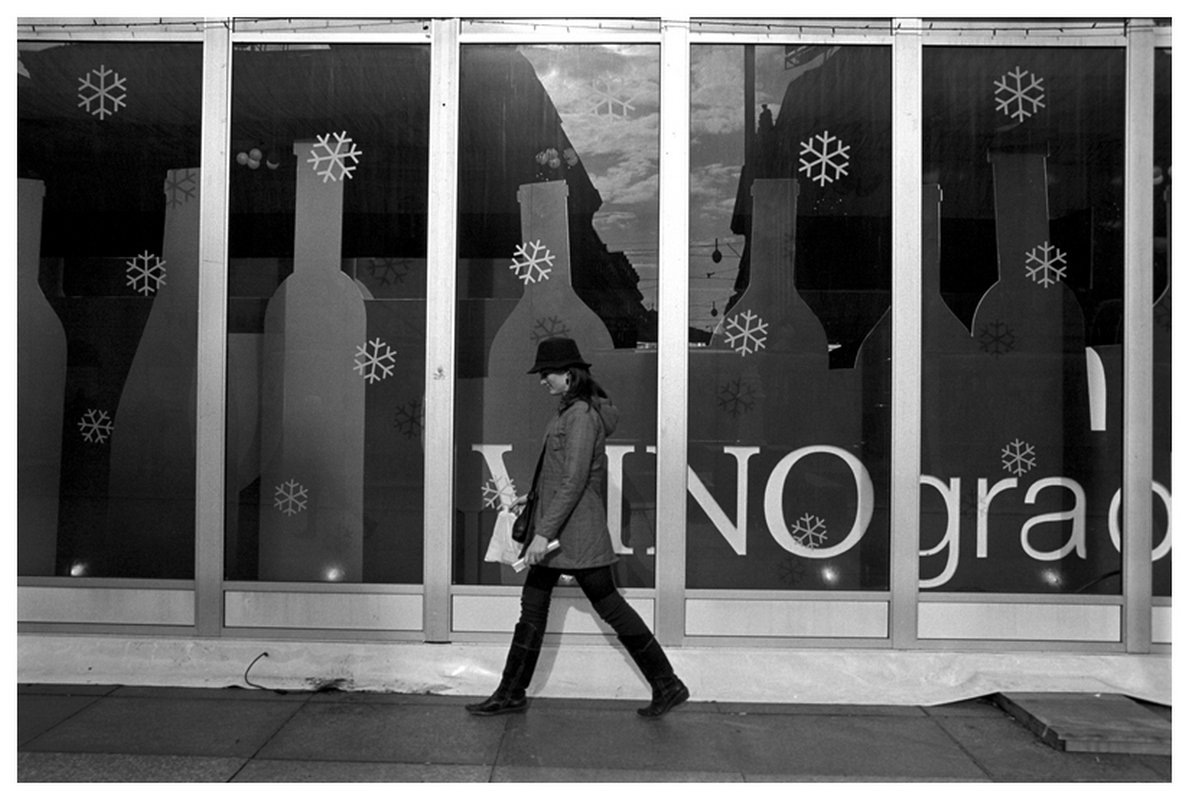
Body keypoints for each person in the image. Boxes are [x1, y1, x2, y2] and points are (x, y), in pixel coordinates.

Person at [466, 337, 689, 719]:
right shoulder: (569, 411)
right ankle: (511, 691)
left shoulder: (581, 416)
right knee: (533, 607)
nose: (542, 381)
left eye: (546, 374)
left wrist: (541, 533)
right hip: (561, 530)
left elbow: (574, 480)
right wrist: (532, 499)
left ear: (568, 375)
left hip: (575, 534)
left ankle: (667, 683)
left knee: (610, 607)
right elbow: (559, 473)